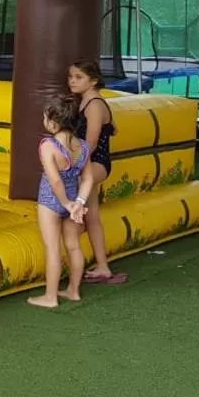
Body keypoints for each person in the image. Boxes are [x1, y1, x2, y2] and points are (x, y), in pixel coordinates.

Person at [68, 59, 127, 286]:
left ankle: (72, 255)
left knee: (75, 207)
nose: (72, 81)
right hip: (90, 163)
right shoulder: (86, 101)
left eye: (78, 77)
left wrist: (70, 164)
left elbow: (90, 143)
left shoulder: (93, 104)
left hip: (96, 164)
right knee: (92, 216)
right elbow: (113, 128)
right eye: (71, 77)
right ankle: (102, 266)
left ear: (92, 81)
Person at [27, 94, 89, 310]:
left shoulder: (48, 146)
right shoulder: (82, 146)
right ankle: (74, 291)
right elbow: (88, 177)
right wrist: (78, 202)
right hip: (74, 200)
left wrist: (65, 204)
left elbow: (54, 179)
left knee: (53, 249)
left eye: (45, 118)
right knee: (73, 246)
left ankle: (50, 297)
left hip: (51, 201)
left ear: (53, 121)